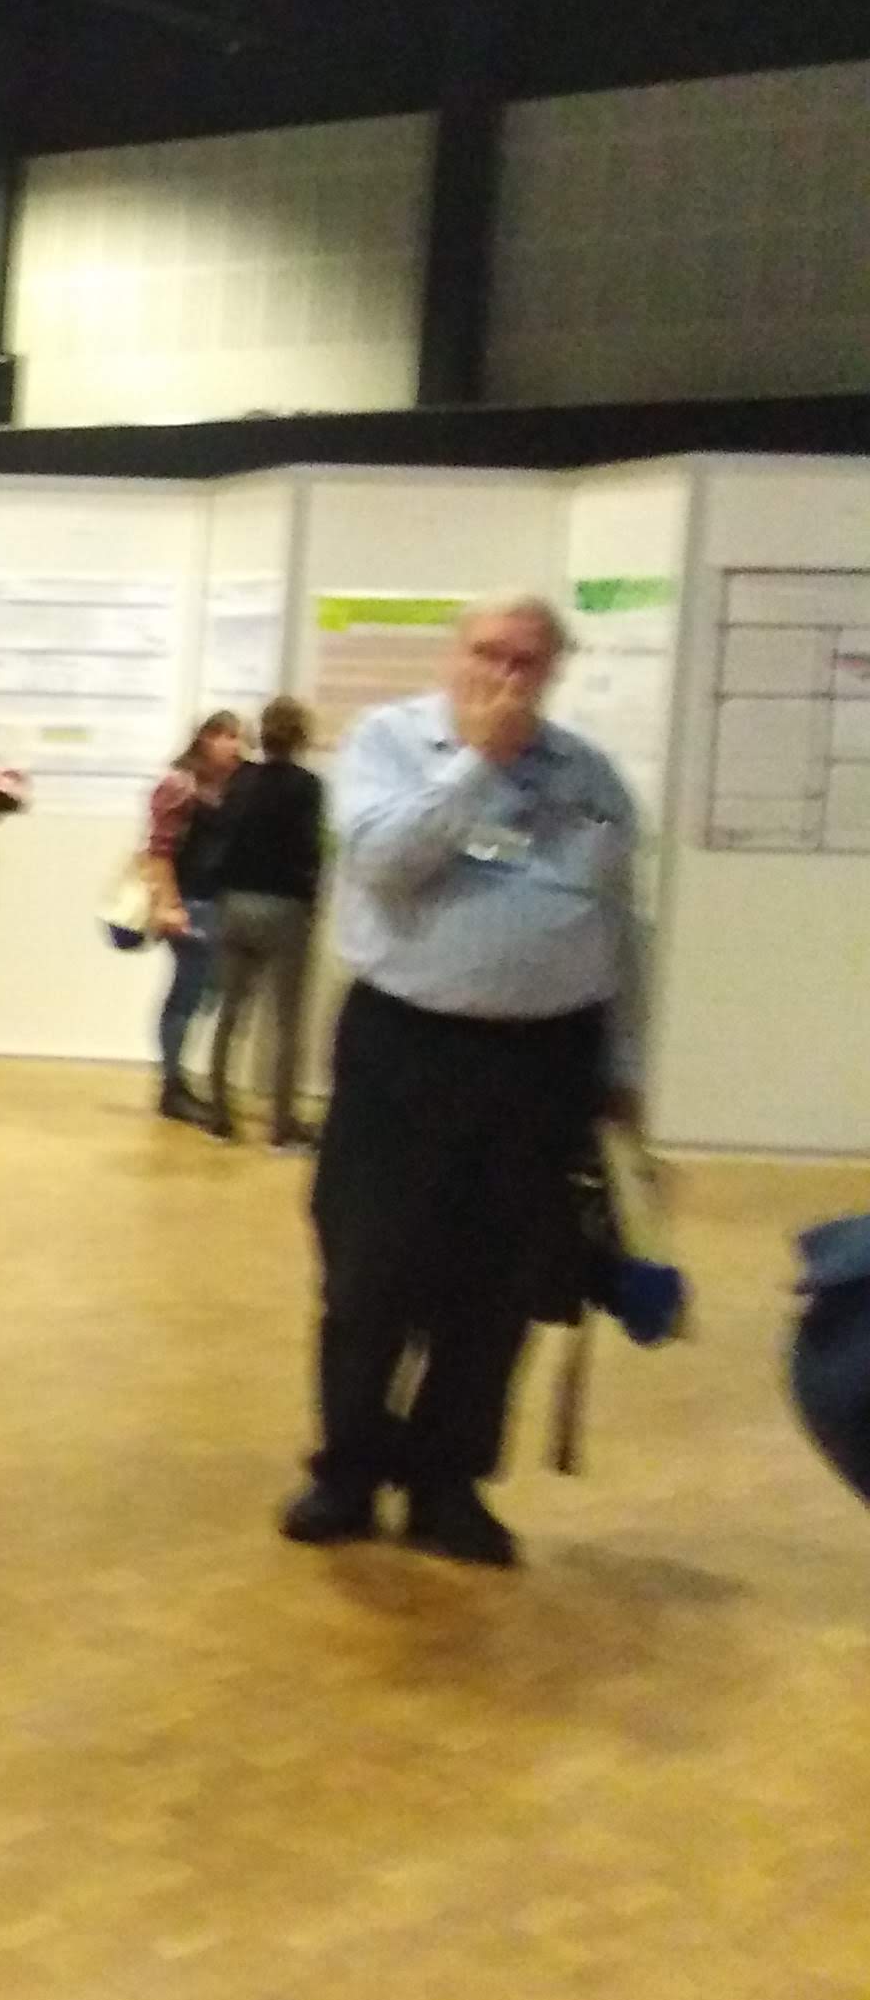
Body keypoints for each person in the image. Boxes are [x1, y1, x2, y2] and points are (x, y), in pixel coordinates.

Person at [280, 597, 643, 1567]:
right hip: (406, 1051)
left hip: (544, 1062)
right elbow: (380, 865)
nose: (506, 676)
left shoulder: (590, 777)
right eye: (489, 654)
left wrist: (622, 1068)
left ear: (553, 669)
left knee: (498, 1287)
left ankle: (448, 1483)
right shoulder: (388, 744)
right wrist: (477, 760)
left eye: (528, 661)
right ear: (454, 654)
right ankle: (347, 1471)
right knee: (369, 1273)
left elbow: (619, 930)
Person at [198, 696, 325, 1147]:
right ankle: (282, 1126)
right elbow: (310, 851)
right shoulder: (308, 786)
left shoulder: (241, 779)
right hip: (286, 908)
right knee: (287, 1020)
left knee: (230, 1014)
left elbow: (223, 838)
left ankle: (219, 1115)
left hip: (235, 904)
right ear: (301, 737)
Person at [143, 708, 245, 1121]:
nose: (236, 746)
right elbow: (160, 850)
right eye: (228, 736)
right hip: (189, 901)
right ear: (206, 738)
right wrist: (169, 904)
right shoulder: (180, 785)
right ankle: (172, 1083)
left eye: (239, 738)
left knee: (202, 991)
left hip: (216, 900)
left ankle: (177, 1078)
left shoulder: (232, 787)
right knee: (186, 993)